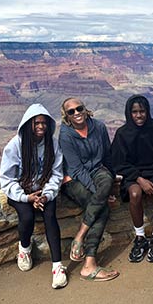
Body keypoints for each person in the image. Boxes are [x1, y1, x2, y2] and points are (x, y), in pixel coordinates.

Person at [0, 103, 67, 289]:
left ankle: (57, 267)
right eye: (36, 123)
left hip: (44, 190)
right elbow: (7, 179)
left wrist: (46, 195)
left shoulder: (52, 144)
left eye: (44, 123)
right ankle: (25, 248)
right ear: (28, 124)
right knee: (27, 216)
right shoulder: (15, 146)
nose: (41, 127)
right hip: (21, 190)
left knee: (50, 216)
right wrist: (26, 198)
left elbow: (56, 173)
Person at [59, 97, 119, 282]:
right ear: (66, 116)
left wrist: (108, 186)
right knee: (102, 208)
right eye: (71, 111)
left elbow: (107, 156)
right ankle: (89, 265)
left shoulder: (99, 127)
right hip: (74, 179)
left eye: (79, 108)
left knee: (107, 179)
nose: (77, 113)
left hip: (98, 171)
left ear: (85, 109)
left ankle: (80, 235)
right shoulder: (66, 135)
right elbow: (76, 169)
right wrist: (99, 193)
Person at [110, 95, 153, 263]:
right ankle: (140, 238)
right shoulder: (123, 133)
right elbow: (118, 162)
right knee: (135, 194)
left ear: (147, 111)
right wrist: (139, 179)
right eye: (134, 112)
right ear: (129, 113)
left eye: (142, 111)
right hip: (132, 172)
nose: (139, 115)